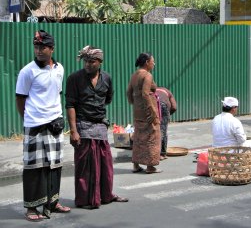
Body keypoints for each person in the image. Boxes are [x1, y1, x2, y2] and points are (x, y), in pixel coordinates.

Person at [15, 30, 71, 222]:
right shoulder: (27, 71)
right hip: (35, 126)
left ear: (52, 49)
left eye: (43, 47)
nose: (39, 50)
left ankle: (52, 203)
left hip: (54, 124)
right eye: (36, 47)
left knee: (54, 165)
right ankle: (31, 207)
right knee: (33, 167)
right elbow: (20, 99)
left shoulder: (59, 69)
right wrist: (30, 118)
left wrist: (56, 116)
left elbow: (57, 94)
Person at [66, 45, 128, 209]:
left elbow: (107, 99)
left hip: (100, 125)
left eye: (92, 61)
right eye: (85, 61)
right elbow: (70, 105)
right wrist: (73, 130)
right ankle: (85, 199)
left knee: (104, 163)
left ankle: (105, 195)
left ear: (100, 62)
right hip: (82, 125)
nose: (87, 64)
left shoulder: (106, 78)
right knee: (84, 166)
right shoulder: (74, 78)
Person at [126, 52, 163, 174]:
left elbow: (128, 92)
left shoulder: (135, 75)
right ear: (147, 62)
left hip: (138, 112)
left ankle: (136, 165)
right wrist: (152, 111)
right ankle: (150, 166)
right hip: (147, 112)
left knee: (138, 138)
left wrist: (134, 104)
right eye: (153, 61)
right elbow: (145, 93)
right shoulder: (147, 75)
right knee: (152, 137)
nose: (154, 63)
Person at [155, 86, 177, 160]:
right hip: (162, 105)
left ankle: (153, 152)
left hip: (152, 105)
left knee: (154, 130)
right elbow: (174, 107)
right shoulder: (167, 92)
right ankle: (161, 154)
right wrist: (167, 116)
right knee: (162, 130)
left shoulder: (153, 91)